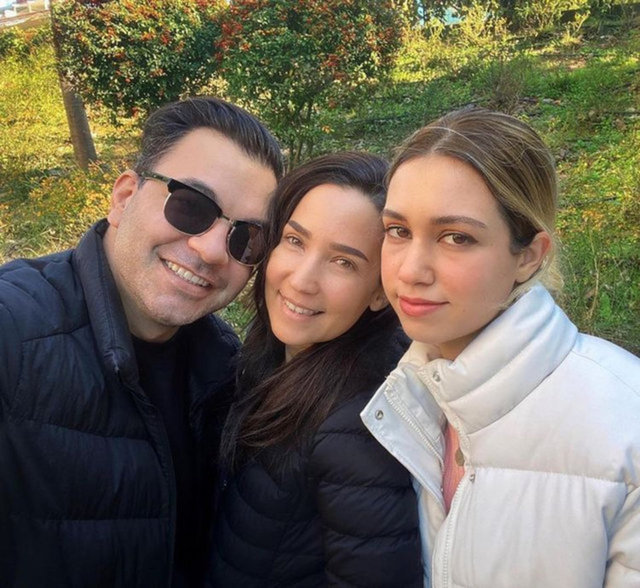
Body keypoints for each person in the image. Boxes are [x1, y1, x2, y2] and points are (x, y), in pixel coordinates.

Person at [0, 96, 283, 587]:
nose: (212, 251)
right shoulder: (13, 332)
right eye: (191, 206)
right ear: (124, 197)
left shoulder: (226, 368)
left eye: (247, 238)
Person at [361, 107, 640, 587]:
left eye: (456, 237)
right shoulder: (401, 394)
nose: (410, 270)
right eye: (398, 231)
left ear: (528, 256)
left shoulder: (624, 423)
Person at [208, 152, 423, 587]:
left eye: (344, 262)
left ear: (379, 293)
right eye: (295, 241)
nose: (302, 280)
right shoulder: (270, 357)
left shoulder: (359, 429)